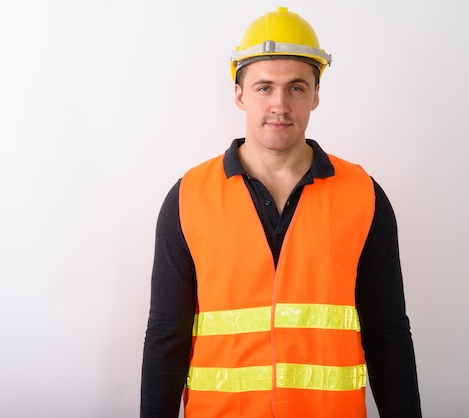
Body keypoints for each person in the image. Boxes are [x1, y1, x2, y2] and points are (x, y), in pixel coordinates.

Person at [140, 6, 421, 418]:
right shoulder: (188, 198)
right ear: (239, 93)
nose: (280, 105)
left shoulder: (363, 196)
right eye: (264, 87)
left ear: (316, 94)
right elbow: (166, 335)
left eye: (296, 88)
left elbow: (388, 334)